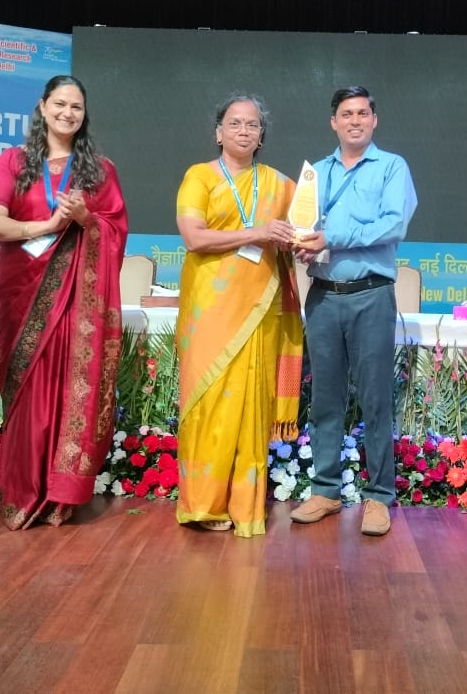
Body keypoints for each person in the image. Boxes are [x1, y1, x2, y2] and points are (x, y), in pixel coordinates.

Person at [0, 75, 128, 530]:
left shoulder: (99, 170)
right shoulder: (14, 161)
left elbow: (115, 231)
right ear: (42, 106)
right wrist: (46, 225)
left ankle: (60, 494)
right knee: (26, 391)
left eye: (77, 107)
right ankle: (22, 487)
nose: (68, 113)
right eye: (60, 104)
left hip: (74, 301)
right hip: (21, 290)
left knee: (67, 387)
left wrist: (86, 219)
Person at [174, 94, 303, 536]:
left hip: (260, 310)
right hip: (210, 311)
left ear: (261, 135)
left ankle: (245, 507)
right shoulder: (199, 177)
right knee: (208, 401)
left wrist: (292, 240)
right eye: (235, 123)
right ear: (218, 131)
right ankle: (203, 505)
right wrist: (259, 232)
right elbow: (193, 237)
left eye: (252, 125)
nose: (243, 130)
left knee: (251, 403)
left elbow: (300, 233)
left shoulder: (281, 185)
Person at [290, 86, 417, 537]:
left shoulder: (391, 167)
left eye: (363, 113)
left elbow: (391, 224)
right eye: (346, 114)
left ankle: (379, 496)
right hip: (323, 294)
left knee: (375, 399)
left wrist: (332, 238)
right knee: (325, 398)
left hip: (370, 294)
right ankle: (324, 489)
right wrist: (303, 246)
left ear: (374, 120)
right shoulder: (314, 173)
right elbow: (305, 228)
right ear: (333, 122)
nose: (355, 120)